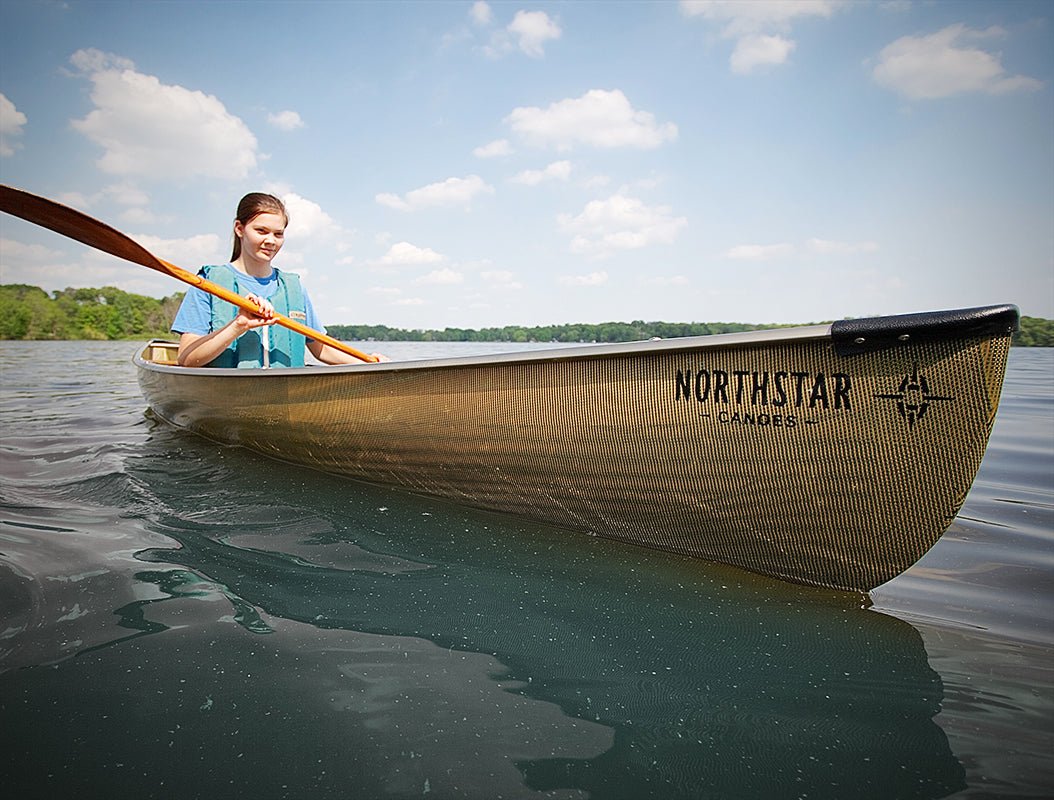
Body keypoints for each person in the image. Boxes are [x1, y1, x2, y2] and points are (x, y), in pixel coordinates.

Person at [171, 192, 386, 367]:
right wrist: (238, 326)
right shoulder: (208, 283)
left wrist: (370, 363)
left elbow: (322, 348)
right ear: (239, 229)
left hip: (285, 395)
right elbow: (187, 359)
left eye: (278, 234)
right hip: (227, 395)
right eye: (261, 231)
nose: (270, 241)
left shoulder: (293, 287)